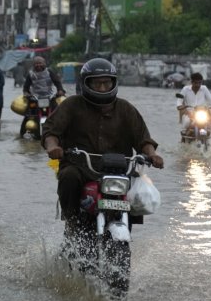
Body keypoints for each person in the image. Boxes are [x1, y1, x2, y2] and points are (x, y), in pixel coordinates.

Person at [42, 58, 164, 238]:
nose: (102, 88)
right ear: (85, 83)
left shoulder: (126, 109)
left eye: (106, 83)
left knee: (136, 189)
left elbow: (143, 139)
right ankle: (72, 221)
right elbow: (50, 132)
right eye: (97, 83)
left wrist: (153, 155)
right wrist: (53, 147)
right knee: (68, 176)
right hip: (81, 167)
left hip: (118, 171)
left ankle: (125, 223)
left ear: (113, 83)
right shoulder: (71, 105)